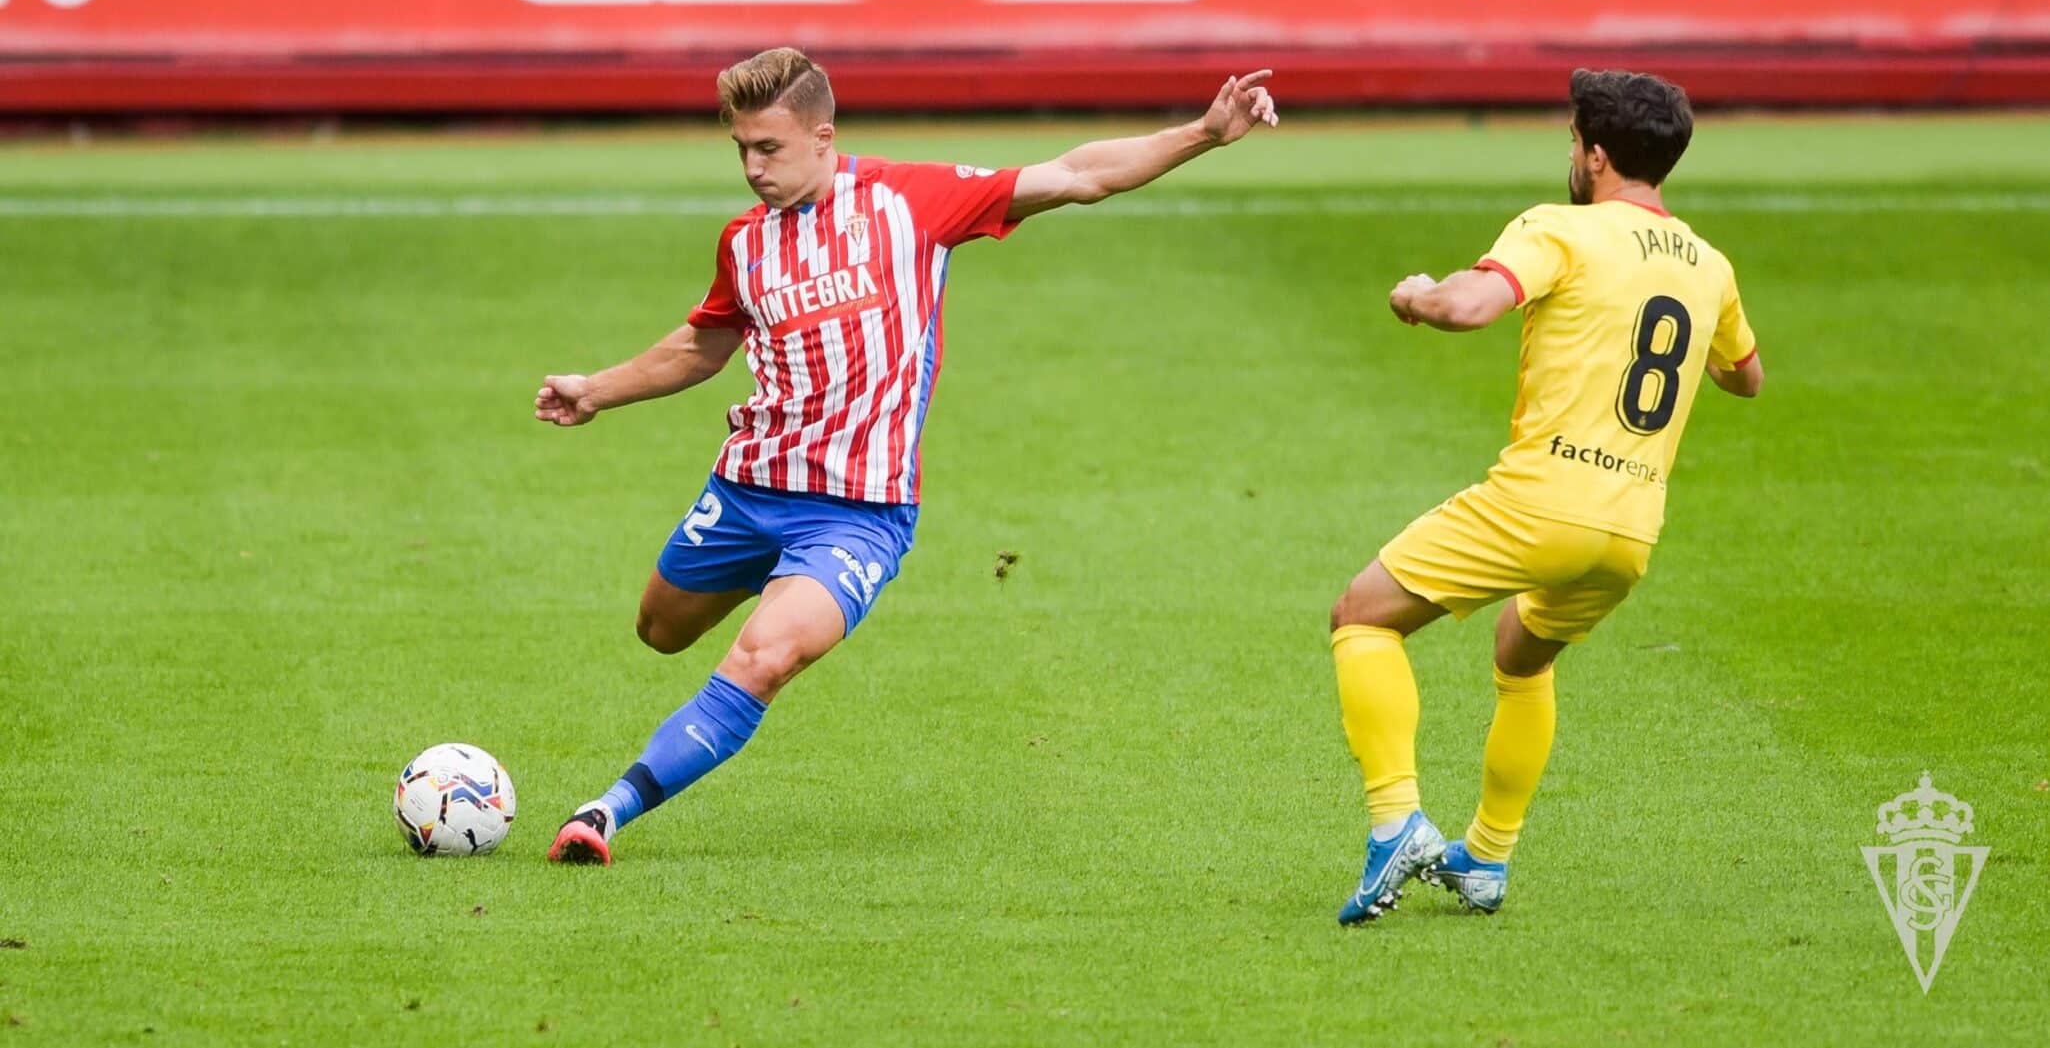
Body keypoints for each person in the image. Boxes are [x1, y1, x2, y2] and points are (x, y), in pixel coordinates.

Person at [534, 47, 1279, 865]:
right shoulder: (745, 244)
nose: (752, 167)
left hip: (859, 515)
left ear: (824, 136)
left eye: (769, 148)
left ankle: (607, 810)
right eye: (742, 148)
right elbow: (703, 345)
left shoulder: (912, 199)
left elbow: (1076, 173)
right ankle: (764, 579)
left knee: (765, 654)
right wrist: (598, 388)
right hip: (747, 488)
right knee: (659, 630)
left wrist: (1207, 131)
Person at [1328, 69, 1763, 922]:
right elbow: (1746, 376)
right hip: (1631, 529)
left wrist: (1416, 295)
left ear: (1597, 157)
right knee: (1521, 650)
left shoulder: (1558, 229)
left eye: (1572, 140)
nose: (1568, 154)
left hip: (1539, 501)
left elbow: (1469, 306)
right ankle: (1486, 858)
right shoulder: (1710, 266)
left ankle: (1396, 822)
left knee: (1361, 616)